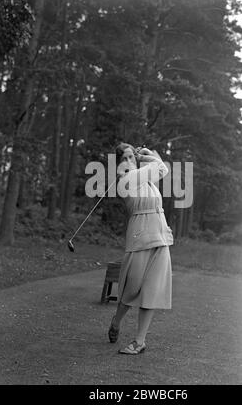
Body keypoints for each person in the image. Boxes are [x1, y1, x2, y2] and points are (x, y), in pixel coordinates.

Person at [108, 142, 173, 355]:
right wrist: (143, 161)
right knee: (131, 288)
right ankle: (116, 321)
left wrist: (145, 154)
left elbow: (163, 168)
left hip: (160, 234)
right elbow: (156, 168)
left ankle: (139, 341)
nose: (128, 162)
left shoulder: (146, 178)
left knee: (151, 291)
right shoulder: (124, 181)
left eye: (130, 157)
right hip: (139, 235)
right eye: (123, 159)